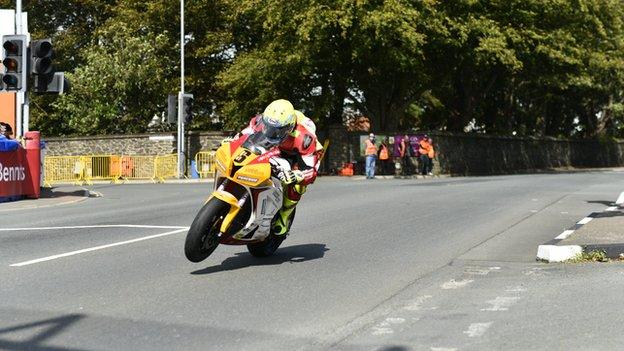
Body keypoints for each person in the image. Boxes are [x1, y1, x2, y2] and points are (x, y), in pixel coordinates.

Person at [232, 99, 324, 236]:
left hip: (298, 154)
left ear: (289, 127)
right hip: (273, 146)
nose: (272, 132)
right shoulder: (261, 121)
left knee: (298, 185)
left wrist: (298, 175)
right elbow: (243, 135)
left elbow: (312, 170)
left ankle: (285, 215)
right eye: (269, 127)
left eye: (278, 130)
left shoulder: (305, 138)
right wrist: (232, 142)